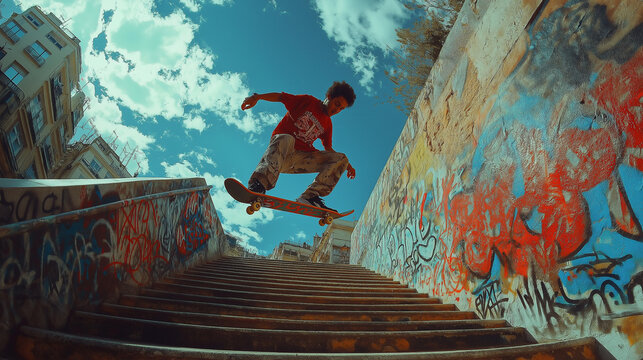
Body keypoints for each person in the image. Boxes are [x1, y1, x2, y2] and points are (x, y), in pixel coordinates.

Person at [240, 81, 356, 212]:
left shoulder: (328, 124)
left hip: (300, 159)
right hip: (280, 153)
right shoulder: (308, 101)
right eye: (337, 104)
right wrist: (257, 97)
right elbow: (281, 97)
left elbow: (328, 148)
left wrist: (347, 165)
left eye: (341, 109)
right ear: (329, 96)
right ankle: (259, 184)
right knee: (286, 138)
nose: (336, 110)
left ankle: (310, 197)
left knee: (342, 159)